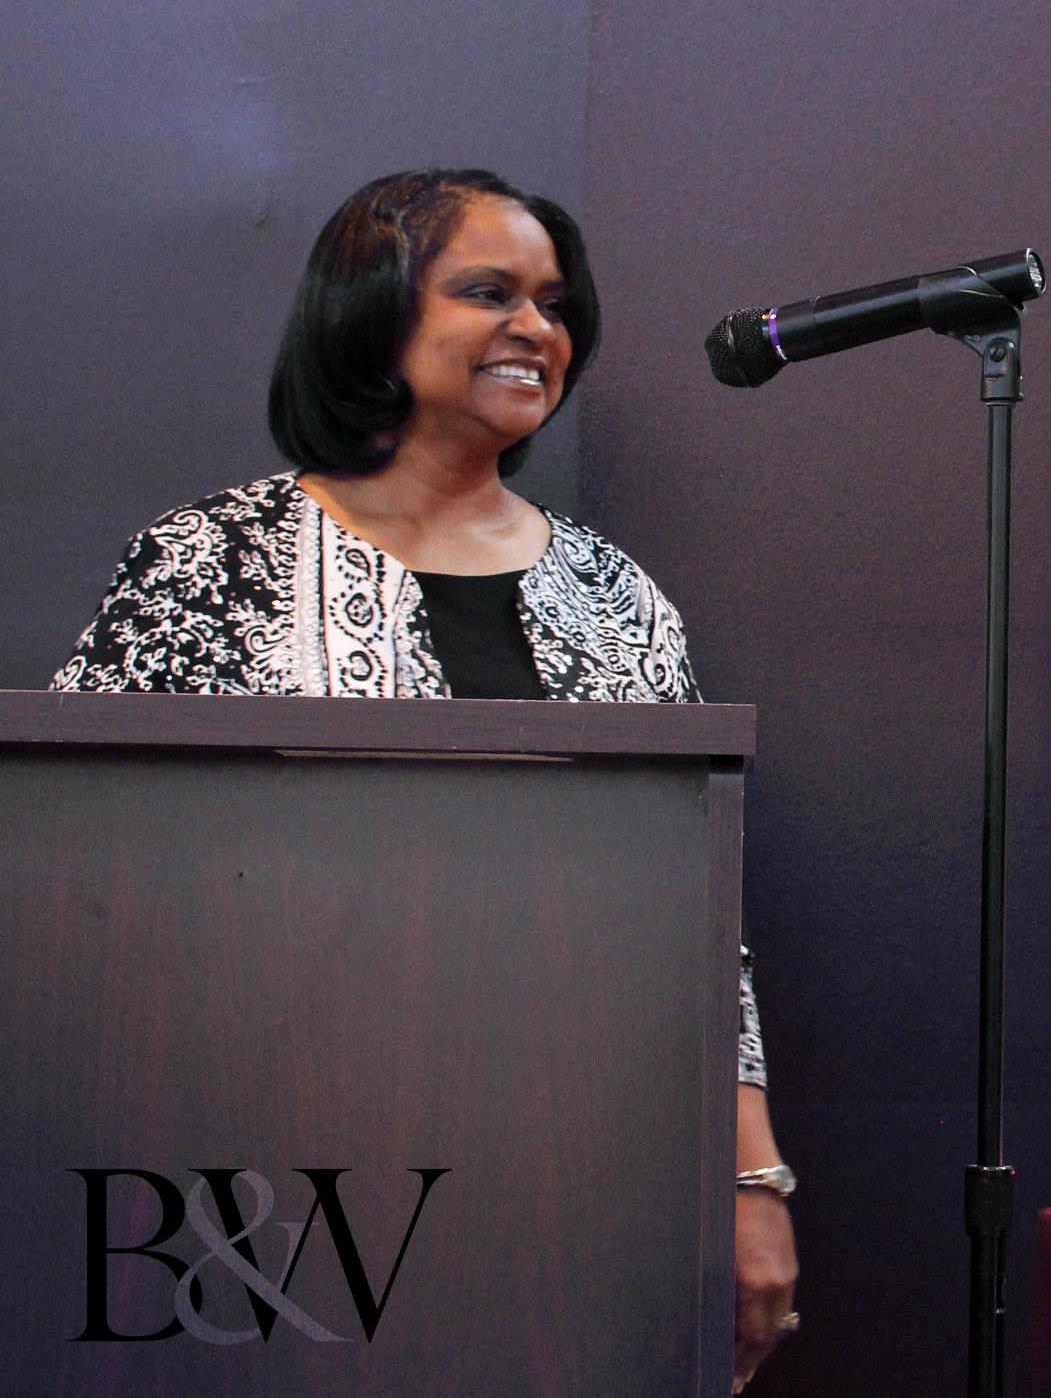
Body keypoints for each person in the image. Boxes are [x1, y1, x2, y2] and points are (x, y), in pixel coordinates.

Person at [53, 167, 801, 1390]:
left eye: (554, 304)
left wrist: (748, 1178)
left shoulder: (616, 600)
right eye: (488, 291)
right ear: (370, 312)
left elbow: (701, 934)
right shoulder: (211, 561)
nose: (535, 330)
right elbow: (78, 877)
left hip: (579, 1188)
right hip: (262, 1200)